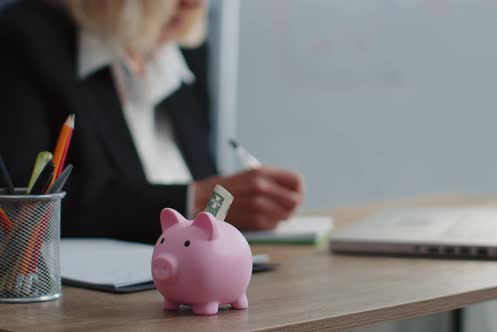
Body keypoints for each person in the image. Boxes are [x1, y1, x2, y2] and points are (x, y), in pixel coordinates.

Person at [0, 0, 304, 243]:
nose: (194, 4)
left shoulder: (184, 51)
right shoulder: (25, 38)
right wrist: (195, 201)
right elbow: (25, 200)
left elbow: (200, 176)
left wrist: (235, 199)